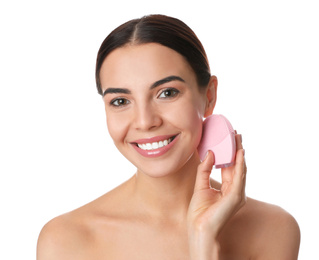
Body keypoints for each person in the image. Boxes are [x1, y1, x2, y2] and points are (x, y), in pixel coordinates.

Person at [37, 14, 300, 259]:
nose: (145, 121)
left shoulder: (273, 229)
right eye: (120, 101)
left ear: (208, 96)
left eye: (167, 93)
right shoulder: (65, 241)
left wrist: (204, 240)